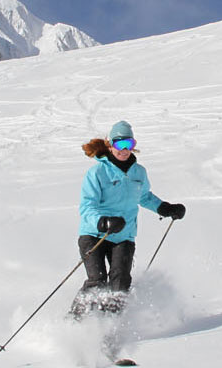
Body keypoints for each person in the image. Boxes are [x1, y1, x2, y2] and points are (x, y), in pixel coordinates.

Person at [71, 120, 186, 317]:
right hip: (94, 234)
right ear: (110, 145)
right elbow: (87, 206)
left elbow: (144, 196)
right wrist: (103, 221)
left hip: (123, 236)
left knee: (120, 283)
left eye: (129, 145)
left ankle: (111, 325)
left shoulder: (138, 172)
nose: (124, 150)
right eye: (119, 145)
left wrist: (165, 208)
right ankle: (75, 319)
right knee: (97, 281)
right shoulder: (97, 172)